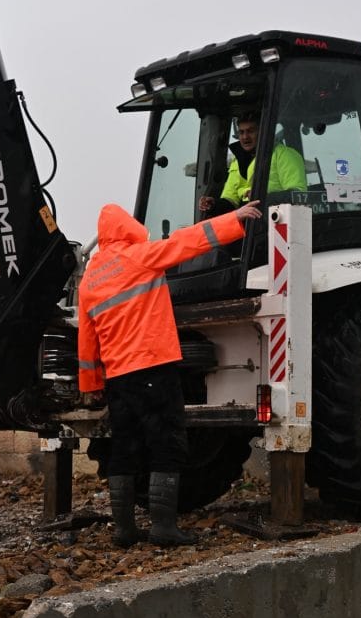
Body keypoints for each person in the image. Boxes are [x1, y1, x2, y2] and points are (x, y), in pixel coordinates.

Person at [77, 200, 261, 548]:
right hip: (153, 368)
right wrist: (234, 219)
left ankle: (124, 531)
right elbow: (185, 241)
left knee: (125, 447)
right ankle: (163, 527)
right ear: (126, 228)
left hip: (119, 378)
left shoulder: (91, 278)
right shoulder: (138, 256)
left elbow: (87, 341)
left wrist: (92, 383)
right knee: (168, 442)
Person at [199, 113, 307, 214]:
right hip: (248, 227)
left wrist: (263, 198)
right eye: (241, 132)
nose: (245, 137)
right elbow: (231, 201)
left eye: (250, 131)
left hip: (274, 221)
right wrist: (214, 205)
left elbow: (297, 195)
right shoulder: (236, 162)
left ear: (262, 131)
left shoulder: (285, 155)